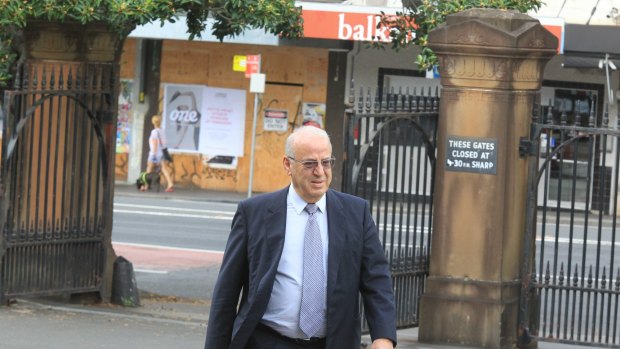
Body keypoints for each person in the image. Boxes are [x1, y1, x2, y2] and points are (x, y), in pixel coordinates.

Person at [205, 126, 396, 349]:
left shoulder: (357, 213)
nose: (320, 172)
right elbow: (226, 293)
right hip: (267, 341)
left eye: (326, 162)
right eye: (309, 164)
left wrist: (383, 337)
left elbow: (377, 280)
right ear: (288, 164)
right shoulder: (254, 213)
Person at [142, 115, 174, 192]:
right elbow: (164, 143)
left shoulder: (154, 132)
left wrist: (154, 155)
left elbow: (155, 144)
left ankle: (146, 185)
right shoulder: (162, 131)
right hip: (162, 153)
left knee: (148, 169)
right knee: (164, 168)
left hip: (154, 154)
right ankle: (170, 183)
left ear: (153, 122)